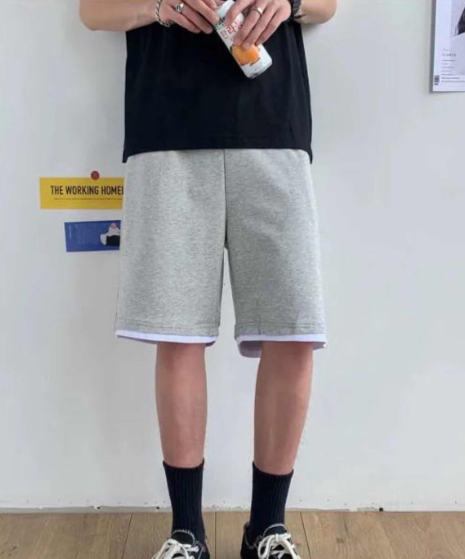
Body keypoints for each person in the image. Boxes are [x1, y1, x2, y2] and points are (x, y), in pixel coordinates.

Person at [79, 0, 337, 558]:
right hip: (165, 129)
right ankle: (187, 533)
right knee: (176, 334)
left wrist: (289, 2)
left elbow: (329, 6)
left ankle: (267, 528)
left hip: (275, 128)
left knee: (293, 333)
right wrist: (158, 7)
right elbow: (93, 11)